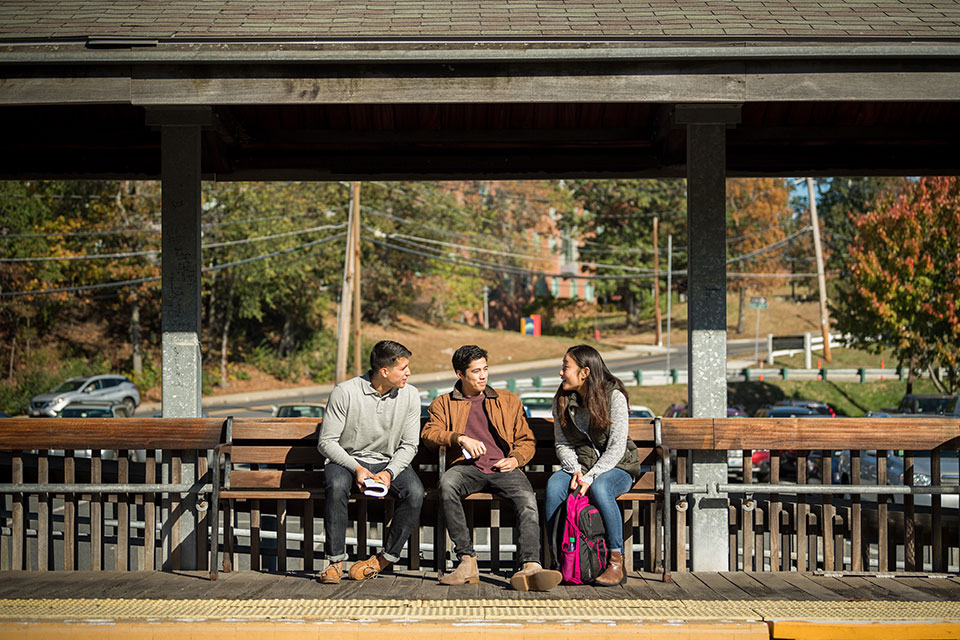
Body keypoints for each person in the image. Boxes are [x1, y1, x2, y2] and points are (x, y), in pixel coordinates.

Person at [421, 345, 562, 591]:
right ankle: (467, 560)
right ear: (460, 374)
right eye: (476, 371)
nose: (483, 376)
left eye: (485, 369)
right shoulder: (443, 403)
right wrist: (459, 438)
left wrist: (516, 459)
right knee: (447, 484)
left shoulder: (508, 400)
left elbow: (526, 441)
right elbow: (430, 434)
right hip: (467, 467)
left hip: (503, 467)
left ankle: (531, 565)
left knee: (527, 499)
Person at [317, 340, 423, 583]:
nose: (408, 373)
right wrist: (357, 468)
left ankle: (383, 559)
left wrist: (389, 473)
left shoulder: (411, 395)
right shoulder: (345, 392)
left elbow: (409, 445)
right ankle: (334, 562)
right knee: (336, 486)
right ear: (384, 372)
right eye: (403, 368)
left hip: (388, 461)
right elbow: (327, 442)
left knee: (415, 492)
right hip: (346, 461)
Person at [545, 344, 642, 586]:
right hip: (581, 467)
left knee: (601, 489)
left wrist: (591, 476)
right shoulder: (562, 400)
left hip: (618, 467)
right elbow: (562, 442)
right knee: (554, 486)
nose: (561, 373)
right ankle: (557, 561)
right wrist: (575, 469)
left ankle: (616, 562)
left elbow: (617, 446)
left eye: (566, 367)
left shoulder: (614, 396)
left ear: (585, 372)